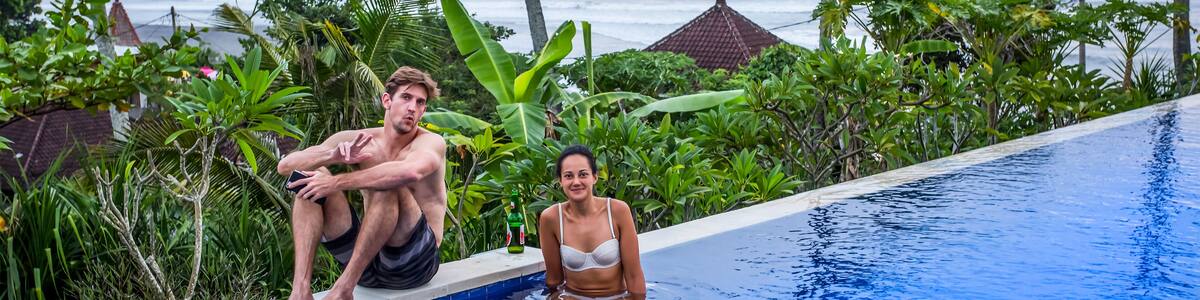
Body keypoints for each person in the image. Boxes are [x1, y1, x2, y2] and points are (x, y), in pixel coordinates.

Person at [277, 67, 448, 300]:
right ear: (387, 100)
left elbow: (410, 171)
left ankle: (342, 290)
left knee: (388, 181)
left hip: (413, 264)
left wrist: (336, 183)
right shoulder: (360, 139)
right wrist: (333, 156)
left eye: (420, 103)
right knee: (311, 174)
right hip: (366, 262)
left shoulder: (430, 143)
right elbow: (286, 166)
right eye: (406, 98)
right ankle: (300, 291)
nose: (412, 108)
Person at [539, 145, 647, 300]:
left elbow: (634, 276)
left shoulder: (617, 211)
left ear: (594, 177)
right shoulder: (551, 218)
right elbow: (554, 280)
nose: (576, 182)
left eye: (583, 174)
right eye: (568, 176)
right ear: (560, 181)